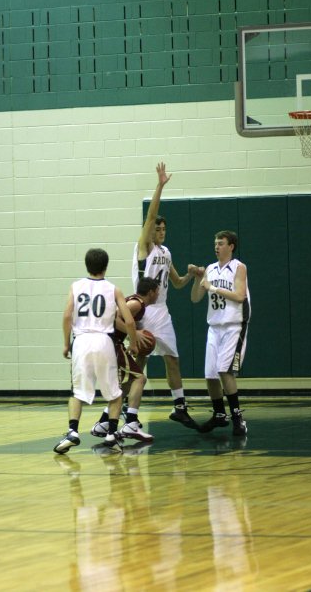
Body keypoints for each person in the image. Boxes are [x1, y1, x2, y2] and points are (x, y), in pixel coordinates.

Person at [132, 162, 201, 429]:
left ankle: (179, 406)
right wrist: (160, 185)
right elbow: (151, 216)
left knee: (173, 358)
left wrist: (191, 274)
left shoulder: (166, 251)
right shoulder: (144, 247)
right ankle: (128, 412)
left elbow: (178, 282)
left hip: (162, 310)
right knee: (141, 360)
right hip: (144, 310)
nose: (159, 232)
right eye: (156, 229)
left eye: (163, 229)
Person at [54, 248, 139, 454]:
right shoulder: (113, 289)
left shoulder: (76, 286)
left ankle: (73, 431)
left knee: (77, 392)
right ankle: (111, 434)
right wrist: (134, 343)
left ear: (87, 265)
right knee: (114, 393)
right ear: (106, 266)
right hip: (104, 342)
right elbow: (128, 320)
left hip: (81, 341)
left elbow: (67, 317)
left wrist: (66, 343)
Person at [190, 230, 250, 436]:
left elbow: (240, 296)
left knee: (225, 370)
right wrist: (197, 278)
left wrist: (213, 288)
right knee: (210, 375)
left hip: (234, 325)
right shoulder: (210, 269)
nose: (217, 246)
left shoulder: (239, 267)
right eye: (215, 243)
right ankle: (219, 415)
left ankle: (238, 418)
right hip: (214, 327)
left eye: (221, 243)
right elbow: (196, 298)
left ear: (231, 246)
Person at [91, 276, 160, 443]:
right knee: (140, 378)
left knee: (127, 384)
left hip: (111, 343)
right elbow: (112, 318)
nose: (159, 294)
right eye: (157, 291)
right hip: (110, 343)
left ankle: (103, 422)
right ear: (151, 292)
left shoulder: (136, 303)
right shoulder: (136, 303)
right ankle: (130, 422)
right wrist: (134, 335)